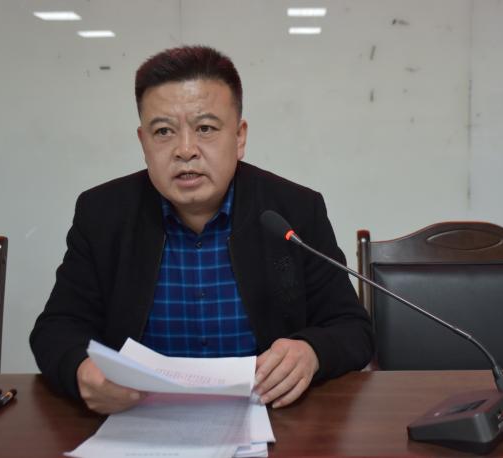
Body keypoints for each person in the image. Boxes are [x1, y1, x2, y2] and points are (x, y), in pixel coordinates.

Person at [30, 45, 373, 414]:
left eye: (205, 128)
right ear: (144, 142)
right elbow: (57, 328)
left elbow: (352, 328)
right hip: (138, 416)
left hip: (267, 415)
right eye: (164, 131)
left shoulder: (294, 209)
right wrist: (82, 371)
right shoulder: (103, 213)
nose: (185, 150)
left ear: (239, 137)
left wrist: (312, 351)